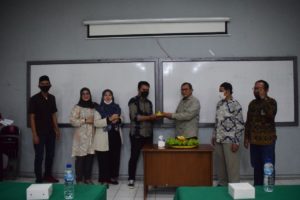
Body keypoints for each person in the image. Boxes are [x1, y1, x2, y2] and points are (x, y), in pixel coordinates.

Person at [244, 80, 277, 186]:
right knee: (256, 166)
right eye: (255, 88)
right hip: (254, 142)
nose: (256, 91)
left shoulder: (271, 102)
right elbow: (248, 122)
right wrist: (246, 137)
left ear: (266, 90)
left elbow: (271, 116)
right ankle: (257, 189)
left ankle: (269, 188)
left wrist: (263, 99)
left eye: (259, 88)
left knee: (268, 167)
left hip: (267, 142)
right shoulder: (252, 104)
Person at [211, 82, 244, 186]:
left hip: (230, 140)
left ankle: (235, 187)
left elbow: (240, 124)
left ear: (228, 91)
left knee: (232, 166)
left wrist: (236, 141)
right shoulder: (219, 104)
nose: (219, 93)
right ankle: (222, 185)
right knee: (221, 166)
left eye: (221, 90)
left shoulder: (235, 104)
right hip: (219, 139)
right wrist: (214, 135)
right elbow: (217, 121)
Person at [28, 75, 60, 183]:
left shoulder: (52, 98)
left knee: (50, 155)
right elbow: (32, 117)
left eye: (47, 84)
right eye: (43, 84)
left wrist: (57, 130)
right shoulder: (34, 99)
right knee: (39, 156)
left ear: (50, 85)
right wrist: (34, 134)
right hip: (39, 133)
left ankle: (48, 175)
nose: (45, 86)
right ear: (39, 85)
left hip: (51, 132)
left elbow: (53, 115)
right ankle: (38, 178)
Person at [127, 81, 157, 188]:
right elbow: (135, 117)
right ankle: (131, 179)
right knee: (134, 157)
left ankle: (150, 180)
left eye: (147, 90)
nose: (146, 91)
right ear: (139, 89)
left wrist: (156, 117)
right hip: (136, 134)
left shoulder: (149, 103)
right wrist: (150, 117)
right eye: (144, 89)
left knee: (149, 158)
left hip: (148, 134)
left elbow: (150, 117)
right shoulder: (133, 101)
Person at [96, 89, 122, 185]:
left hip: (115, 135)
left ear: (112, 96)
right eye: (105, 95)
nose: (107, 97)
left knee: (115, 158)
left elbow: (121, 117)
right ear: (103, 97)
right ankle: (104, 179)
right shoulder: (98, 108)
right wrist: (109, 119)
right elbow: (96, 122)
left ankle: (113, 177)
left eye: (109, 95)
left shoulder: (116, 107)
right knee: (104, 159)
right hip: (103, 136)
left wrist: (118, 120)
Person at [69, 87, 95, 184]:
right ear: (81, 95)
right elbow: (72, 121)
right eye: (83, 93)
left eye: (87, 93)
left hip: (91, 137)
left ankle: (87, 178)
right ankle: (79, 179)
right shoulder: (77, 107)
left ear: (90, 95)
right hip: (80, 138)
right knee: (80, 159)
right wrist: (84, 120)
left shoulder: (94, 106)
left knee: (90, 158)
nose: (85, 95)